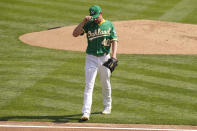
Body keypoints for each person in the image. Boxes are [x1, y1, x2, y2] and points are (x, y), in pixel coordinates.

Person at [72, 5, 118, 121]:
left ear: (101, 13)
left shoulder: (109, 24)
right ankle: (86, 112)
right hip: (91, 58)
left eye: (97, 16)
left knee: (105, 82)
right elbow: (75, 34)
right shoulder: (88, 24)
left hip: (105, 58)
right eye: (94, 16)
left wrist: (114, 56)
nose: (96, 18)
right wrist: (83, 22)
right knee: (89, 85)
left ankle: (108, 106)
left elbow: (114, 41)